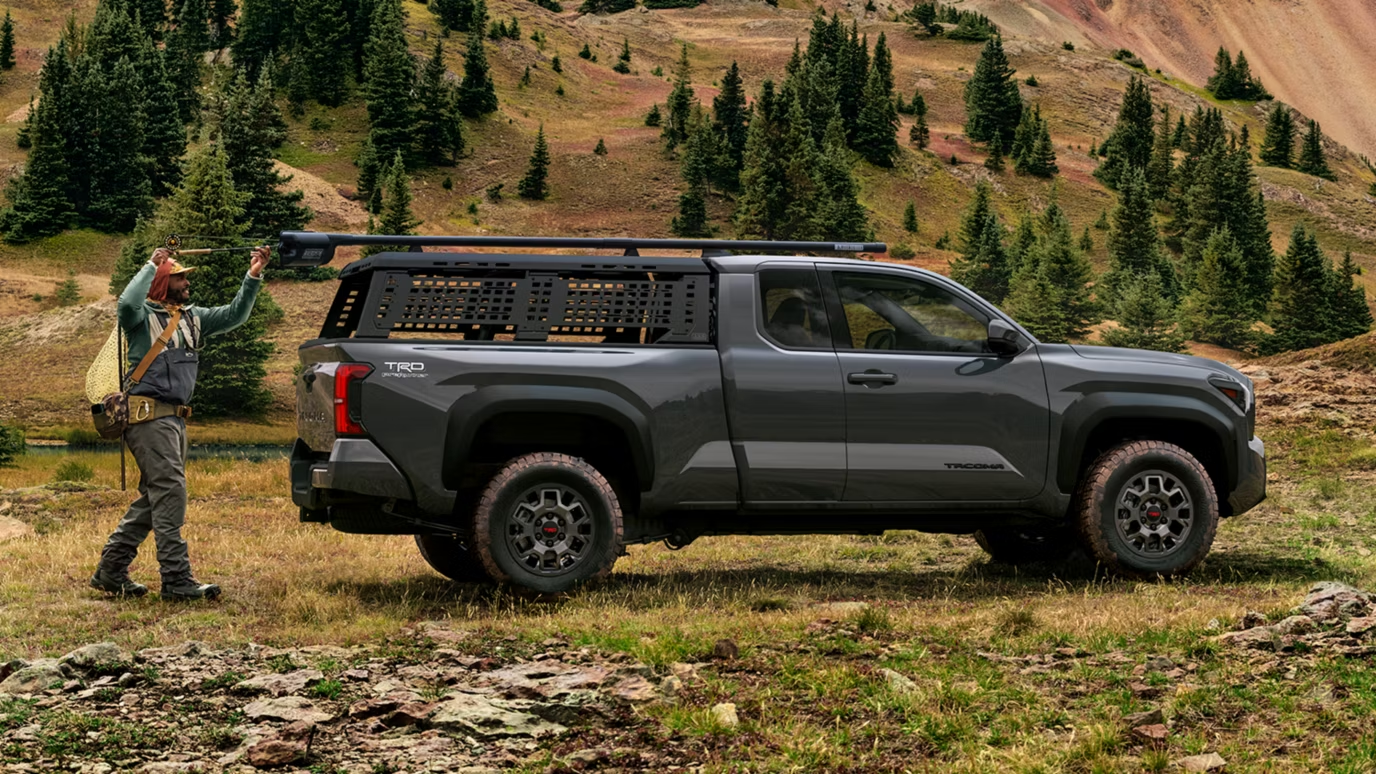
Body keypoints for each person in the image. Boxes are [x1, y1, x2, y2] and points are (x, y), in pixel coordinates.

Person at [90, 245, 271, 600]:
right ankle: (175, 579)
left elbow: (235, 315)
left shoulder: (194, 317)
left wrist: (253, 275)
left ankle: (110, 570)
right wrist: (150, 265)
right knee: (171, 492)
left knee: (156, 496)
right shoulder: (140, 318)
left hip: (174, 422)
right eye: (179, 278)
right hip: (148, 419)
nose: (187, 282)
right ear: (162, 283)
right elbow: (125, 303)